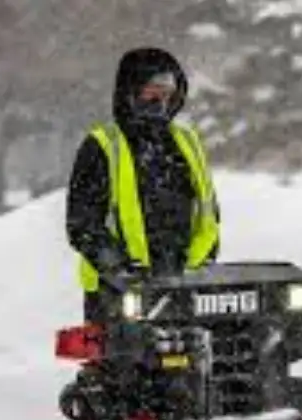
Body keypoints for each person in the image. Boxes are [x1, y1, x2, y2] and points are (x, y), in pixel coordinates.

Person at [66, 47, 220, 324]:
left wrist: (204, 262)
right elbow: (82, 223)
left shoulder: (188, 142)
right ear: (131, 90)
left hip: (184, 287)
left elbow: (208, 212)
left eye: (168, 91)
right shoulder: (103, 145)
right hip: (117, 294)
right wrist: (118, 269)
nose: (160, 99)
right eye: (152, 90)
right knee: (128, 366)